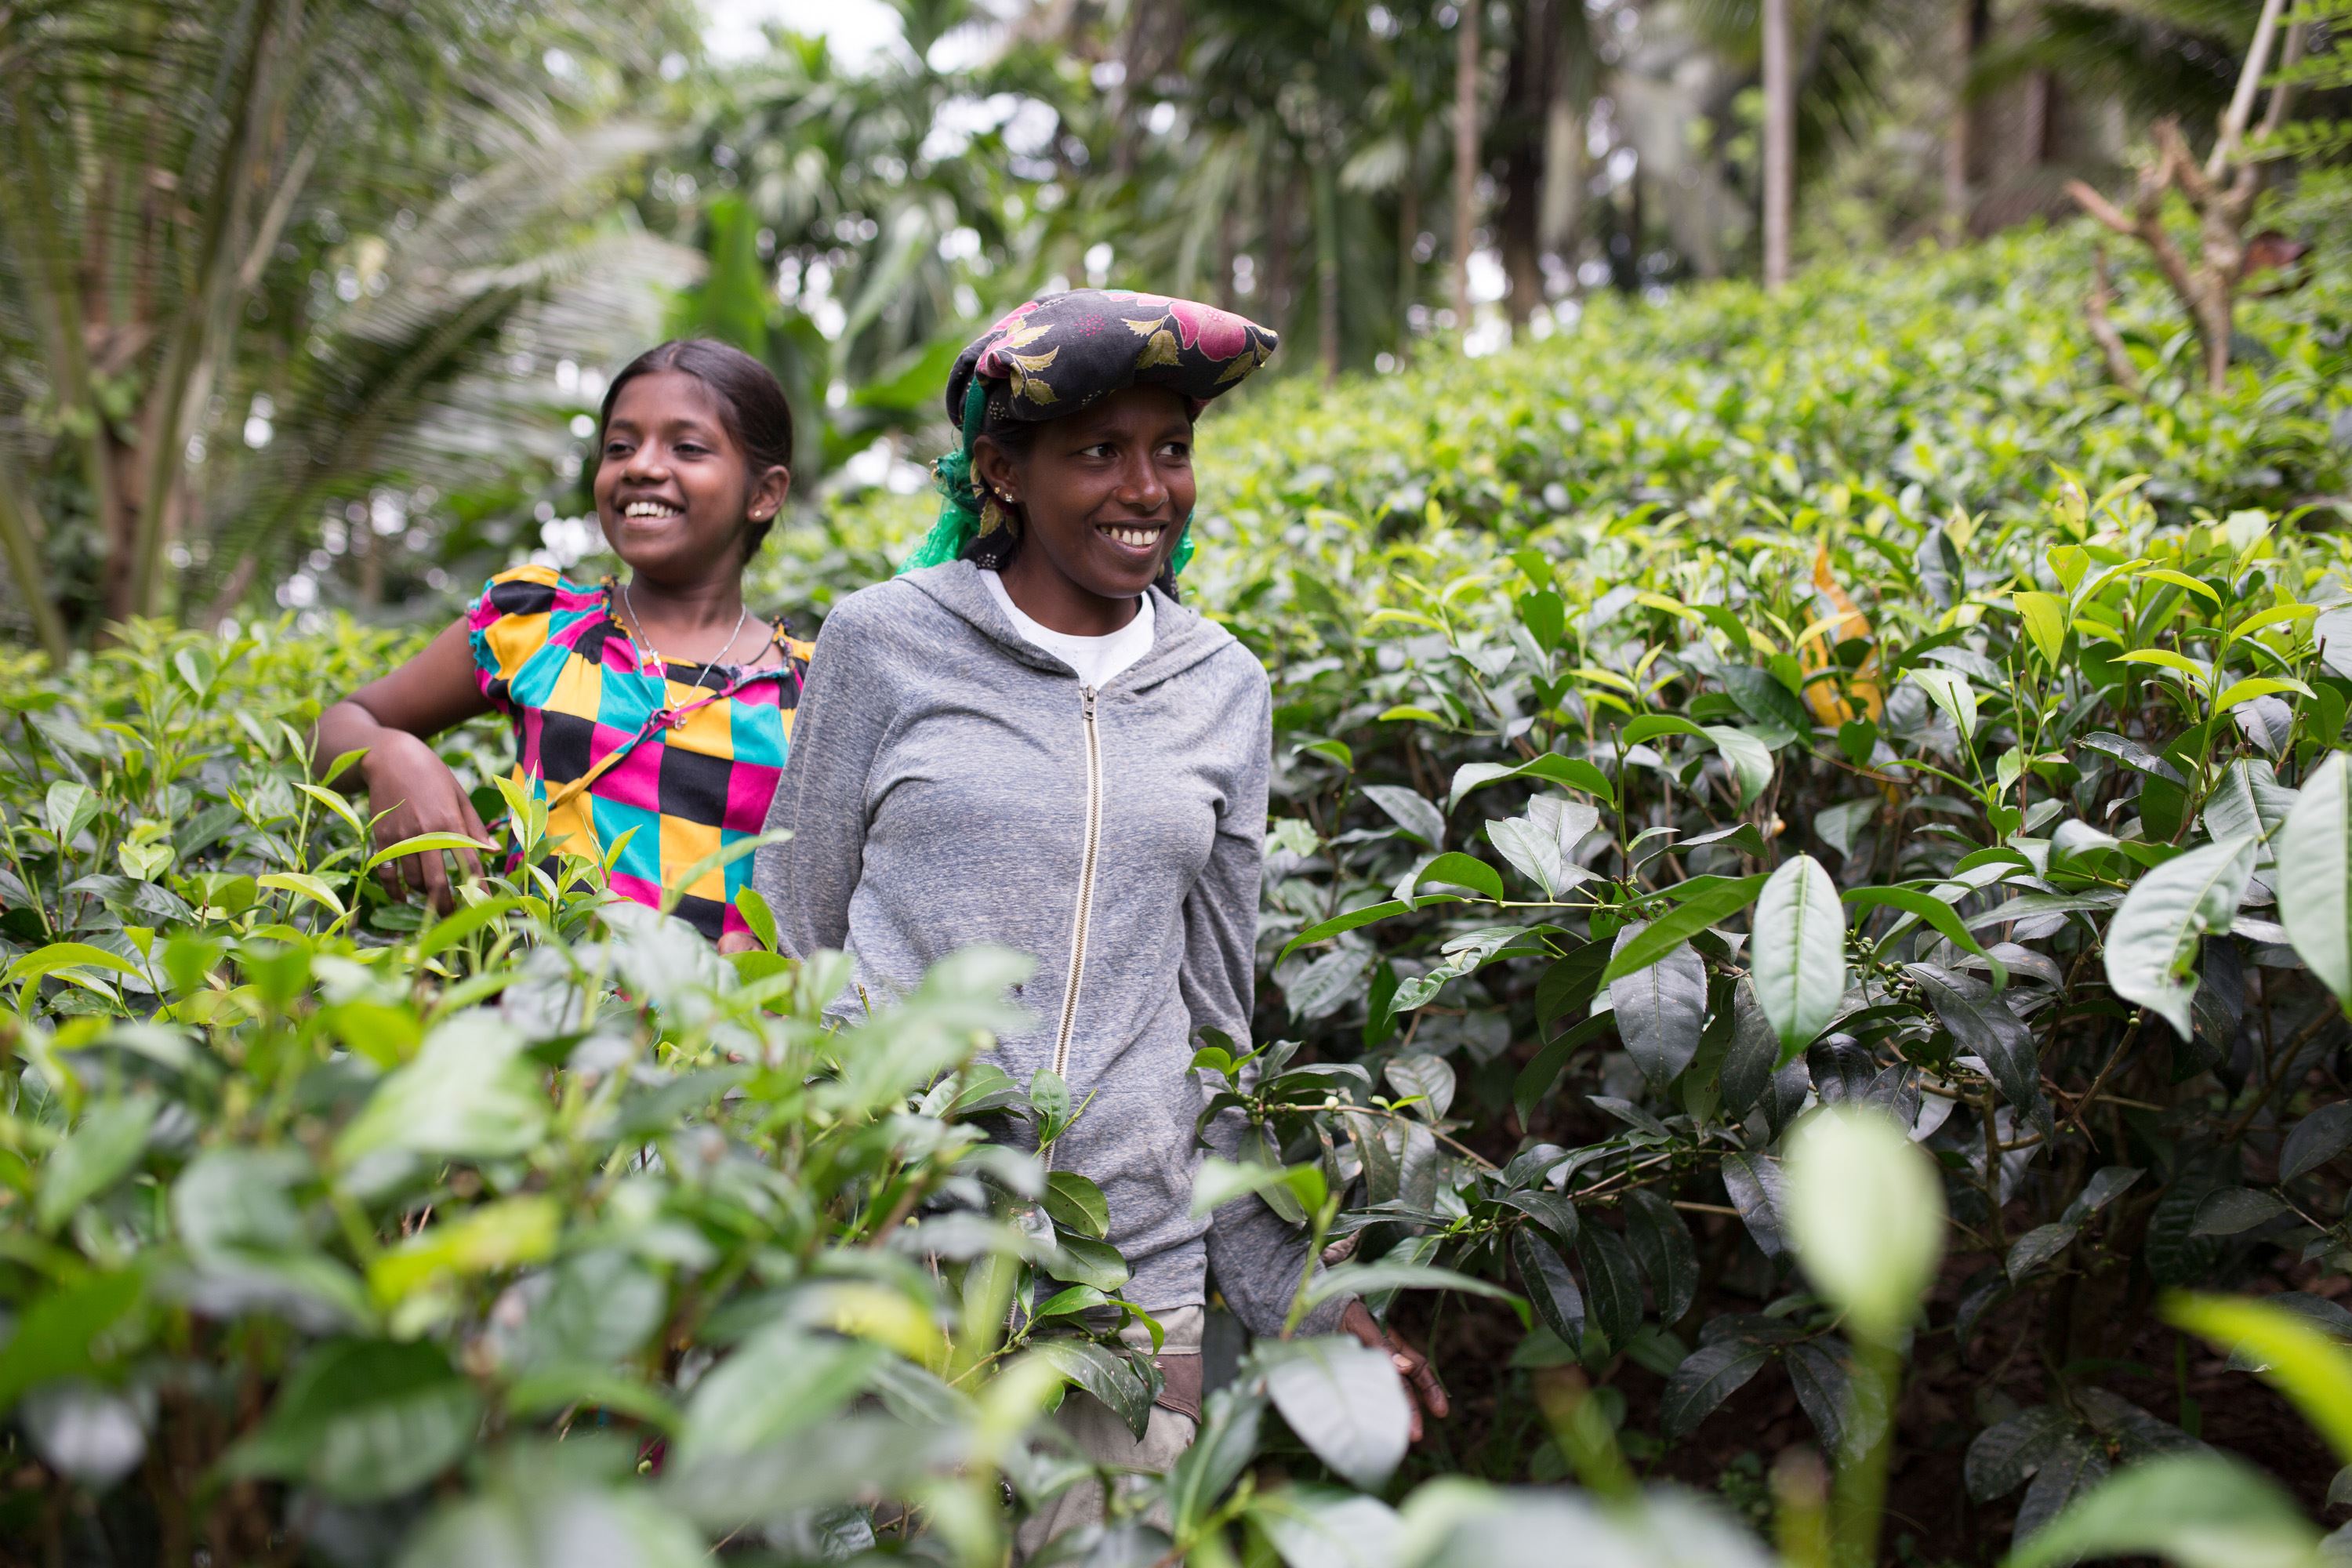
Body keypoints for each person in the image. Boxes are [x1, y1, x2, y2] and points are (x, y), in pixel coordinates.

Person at [748, 292, 1446, 1549]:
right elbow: (800, 938)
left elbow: (1216, 1030)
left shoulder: (1225, 687)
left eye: (1170, 449)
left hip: (1125, 1296)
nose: (1147, 487)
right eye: (1097, 452)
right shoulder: (883, 644)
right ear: (1002, 473)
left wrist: (1308, 1300)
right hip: (898, 1265)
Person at [314, 339, 810, 943]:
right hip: (534, 1022)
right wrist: (388, 754)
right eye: (619, 447)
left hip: (710, 1032)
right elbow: (336, 726)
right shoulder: (540, 625)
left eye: (687, 447)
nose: (641, 466)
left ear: (764, 494)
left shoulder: (814, 690)